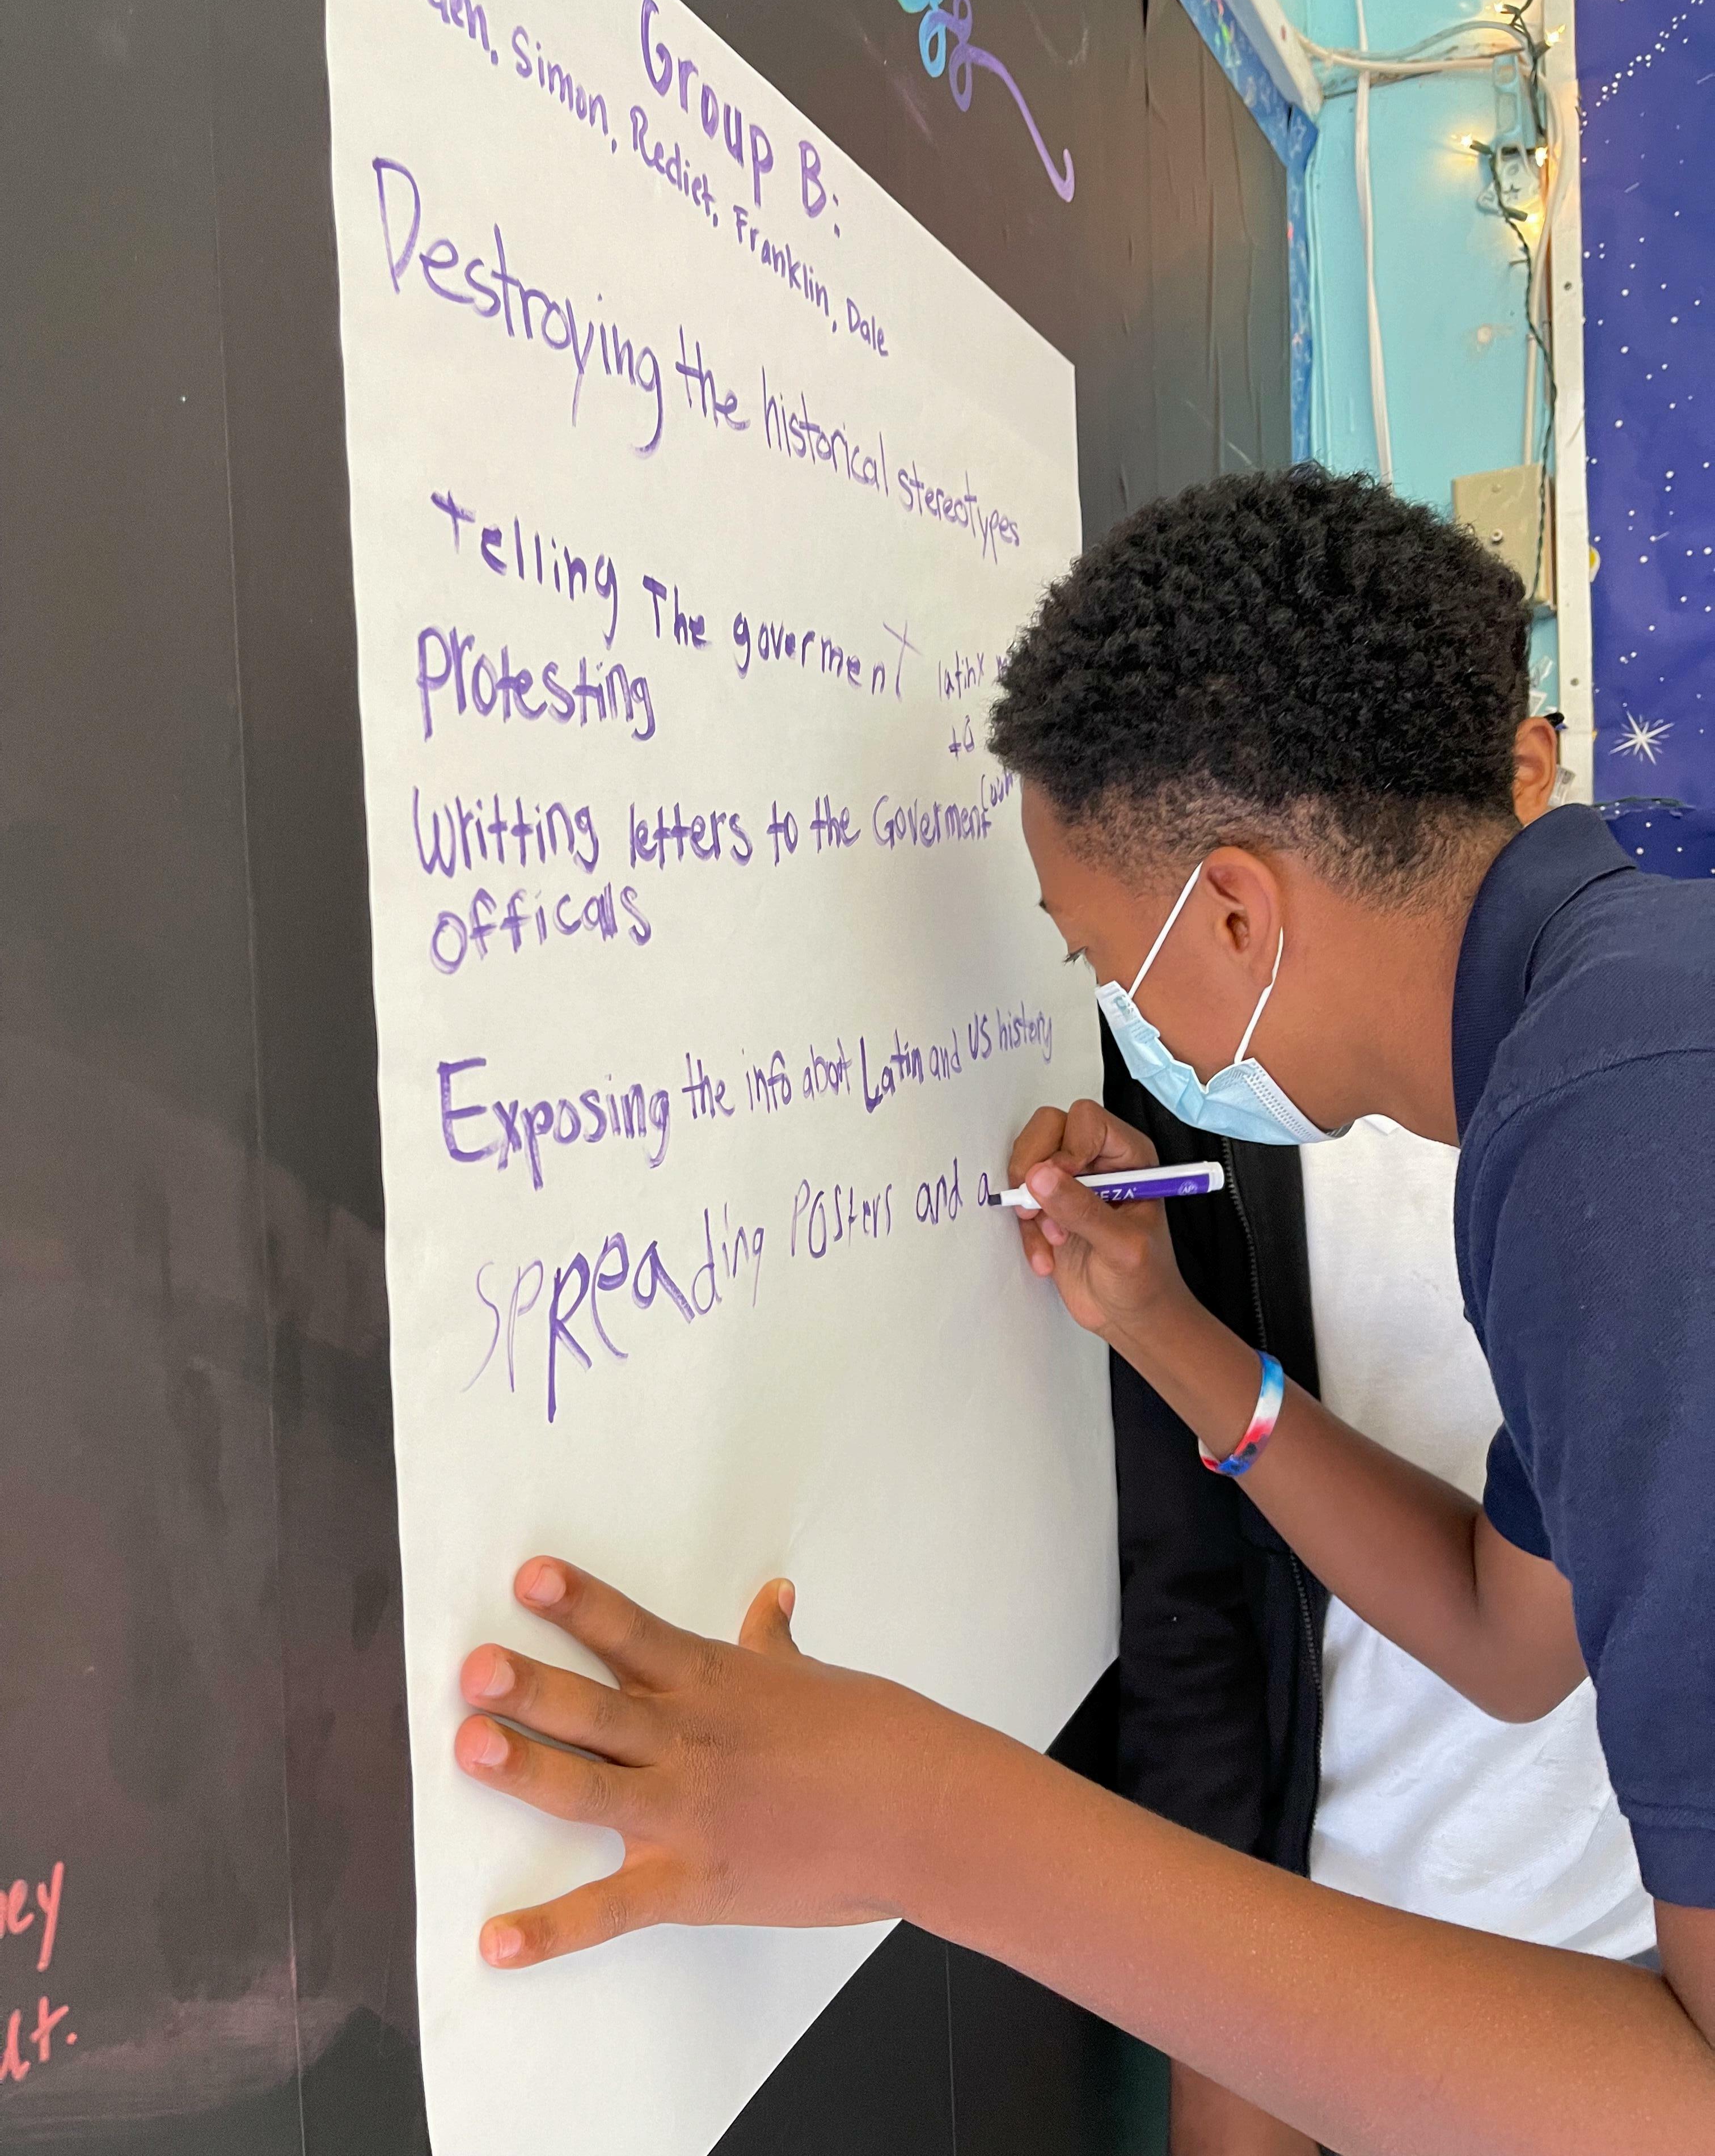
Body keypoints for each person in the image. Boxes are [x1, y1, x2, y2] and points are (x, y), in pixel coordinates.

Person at [450, 469, 1715, 2155]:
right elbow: (1510, 1637)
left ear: (1239, 912)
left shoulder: (1614, 1139)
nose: (1117, 1016)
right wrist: (1166, 1329)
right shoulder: (1614, 1038)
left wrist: (928, 1820)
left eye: (1099, 960)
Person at [1116, 718, 1653, 2156]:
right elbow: (1486, 1632)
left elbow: (1515, 1639)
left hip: (1624, 1959)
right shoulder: (1229, 1106)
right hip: (1342, 1959)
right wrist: (1229, 2006)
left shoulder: (1624, 1129)